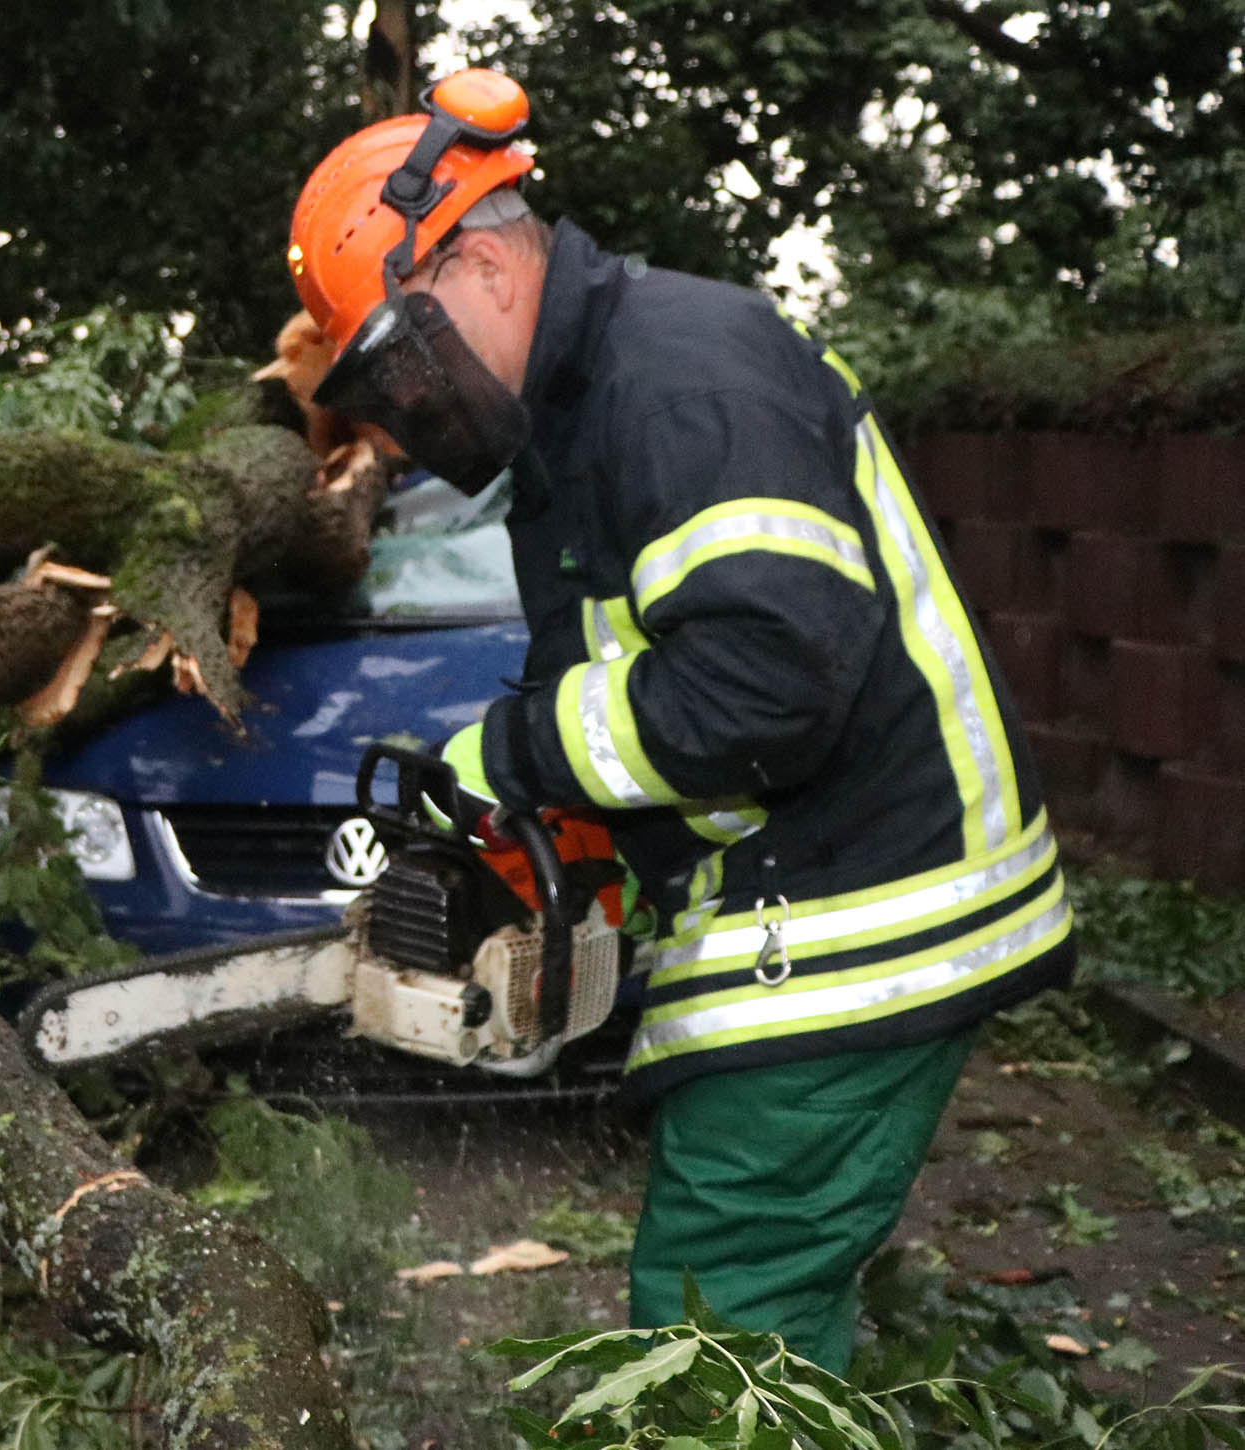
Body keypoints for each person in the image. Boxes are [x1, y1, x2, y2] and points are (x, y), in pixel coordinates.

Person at [281, 68, 1075, 1371]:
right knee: (755, 1309)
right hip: (805, 881)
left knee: (719, 1323)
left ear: (476, 259)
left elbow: (762, 688)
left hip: (859, 908)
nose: (409, 416)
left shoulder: (679, 382)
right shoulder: (591, 407)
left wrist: (516, 757)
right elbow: (663, 677)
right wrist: (572, 831)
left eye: (401, 365)